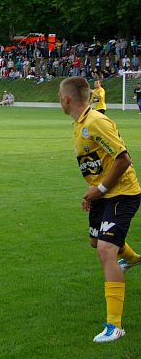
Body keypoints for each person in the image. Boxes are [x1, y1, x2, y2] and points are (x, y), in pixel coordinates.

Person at [59, 76, 141, 342]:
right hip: (102, 194)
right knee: (96, 242)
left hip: (122, 193)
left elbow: (123, 159)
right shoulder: (79, 124)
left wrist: (101, 189)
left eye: (59, 96)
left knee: (106, 250)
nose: (59, 100)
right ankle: (132, 258)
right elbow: (97, 162)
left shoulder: (96, 121)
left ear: (67, 99)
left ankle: (114, 326)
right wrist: (92, 192)